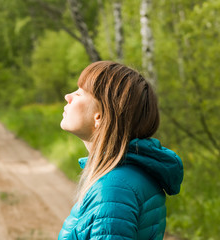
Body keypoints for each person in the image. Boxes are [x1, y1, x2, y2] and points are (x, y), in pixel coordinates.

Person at [58, 61, 183, 240]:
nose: (68, 96)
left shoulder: (113, 188)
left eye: (79, 93)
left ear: (99, 117)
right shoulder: (128, 175)